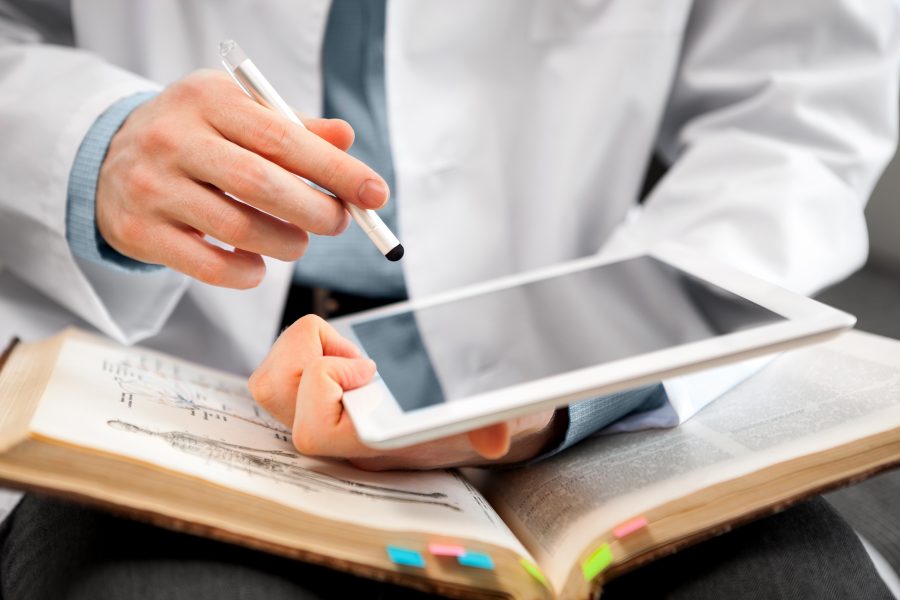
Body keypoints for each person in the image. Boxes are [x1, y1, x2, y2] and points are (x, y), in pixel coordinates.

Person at [0, 0, 897, 597]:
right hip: (175, 356)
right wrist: (94, 150)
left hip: (588, 371)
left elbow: (796, 120)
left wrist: (583, 367)